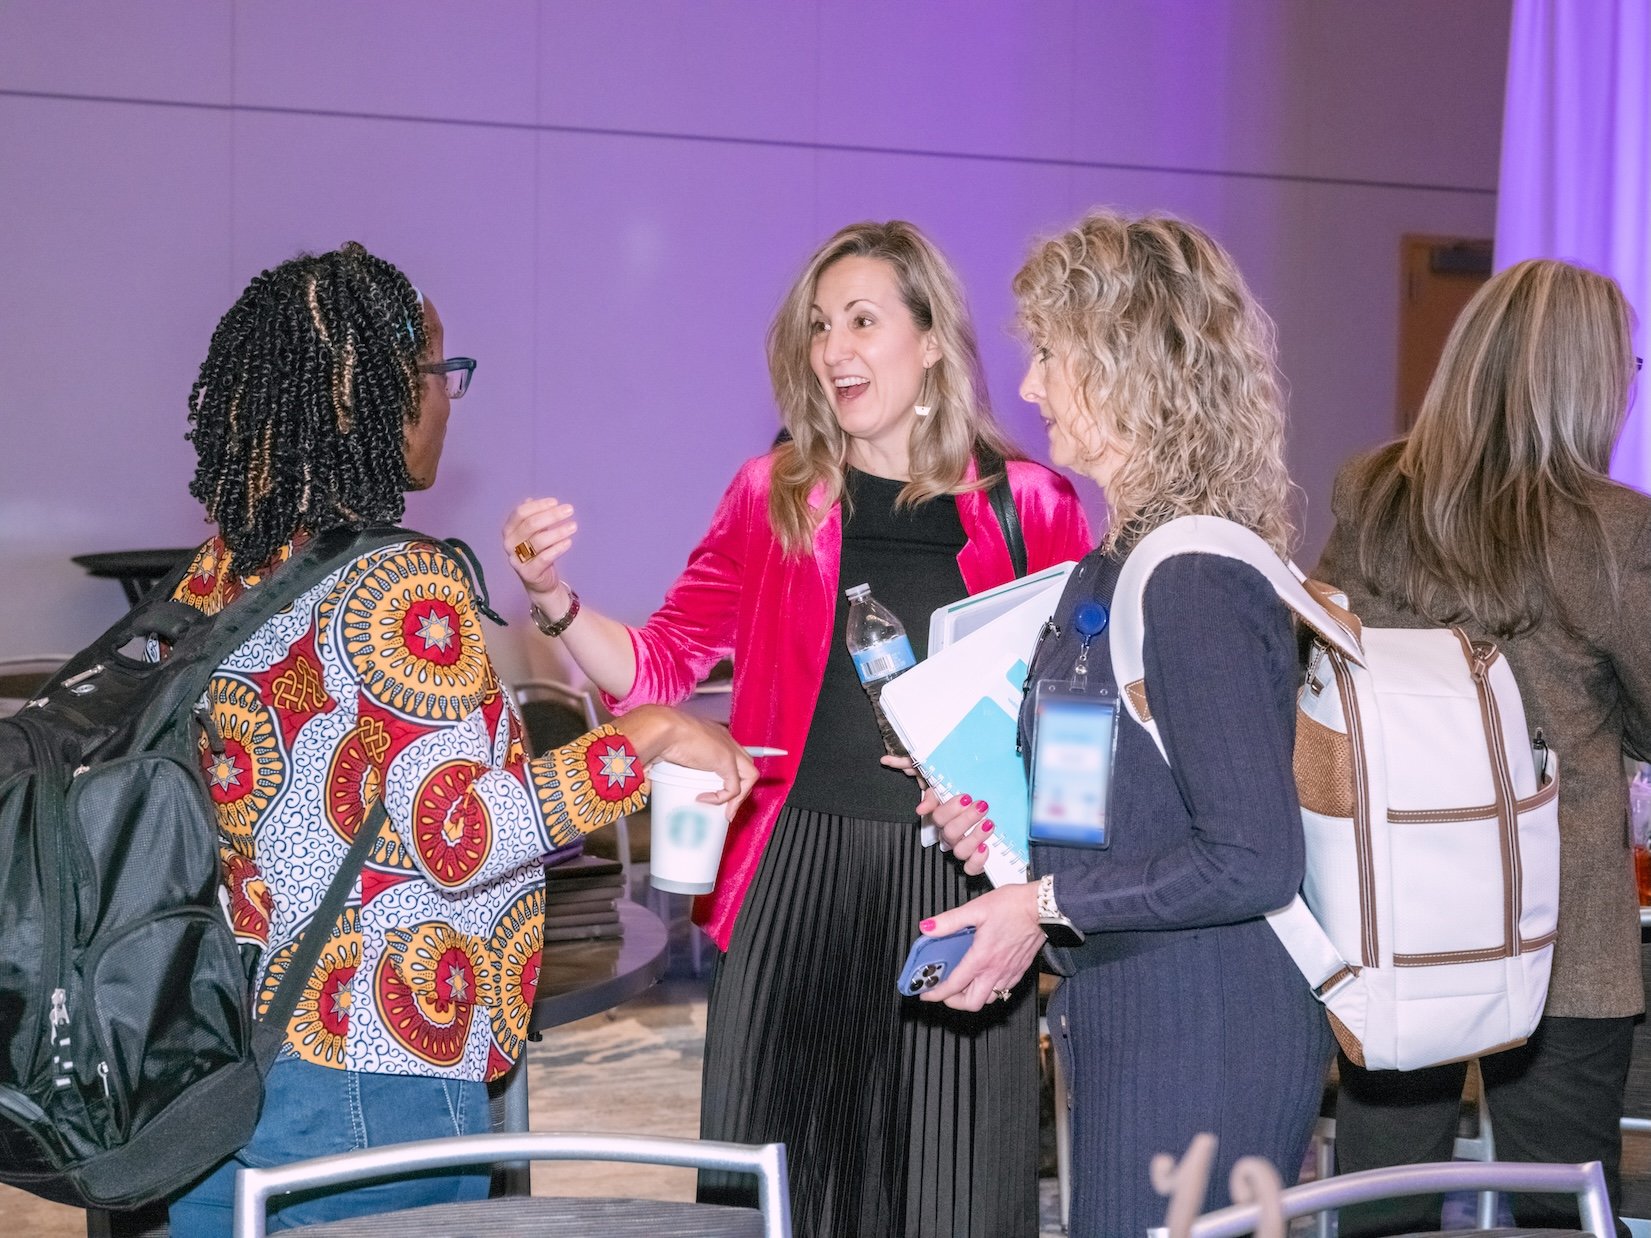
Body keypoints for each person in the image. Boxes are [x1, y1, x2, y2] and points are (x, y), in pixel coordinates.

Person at [502, 220, 1091, 1236]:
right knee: (778, 1198)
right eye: (821, 325)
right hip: (793, 879)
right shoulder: (772, 494)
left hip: (955, 883)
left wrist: (1043, 888)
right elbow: (657, 663)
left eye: (863, 319)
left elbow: (1079, 720)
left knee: (949, 1196)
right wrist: (552, 597)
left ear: (933, 338)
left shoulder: (1030, 506)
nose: (834, 348)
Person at [166, 242, 755, 1235]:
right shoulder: (402, 585)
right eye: (441, 371)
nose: (449, 397)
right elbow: (462, 835)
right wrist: (645, 736)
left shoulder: (221, 569)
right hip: (372, 1068)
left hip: (216, 1054)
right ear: (384, 391)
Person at [921, 209, 1334, 1237]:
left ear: (1124, 362)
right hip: (1134, 1013)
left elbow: (1251, 856)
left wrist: (1041, 900)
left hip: (1203, 1032)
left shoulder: (1190, 574)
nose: (1027, 388)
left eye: (1050, 354)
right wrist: (1008, 851)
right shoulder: (1121, 561)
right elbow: (1110, 805)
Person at [1312, 258, 1651, 1235]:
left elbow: (1322, 672)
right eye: (1624, 361)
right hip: (1565, 935)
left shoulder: (1371, 497)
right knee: (1560, 1212)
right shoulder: (1614, 532)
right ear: (1582, 375)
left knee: (1378, 1202)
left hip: (1395, 917)